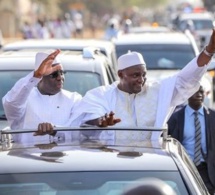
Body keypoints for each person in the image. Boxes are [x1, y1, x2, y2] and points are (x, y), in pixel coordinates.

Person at [73, 29, 215, 141]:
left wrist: (209, 50)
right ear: (121, 74)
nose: (141, 79)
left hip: (149, 162)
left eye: (143, 74)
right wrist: (100, 123)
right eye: (135, 75)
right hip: (113, 163)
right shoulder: (101, 95)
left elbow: (186, 77)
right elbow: (85, 124)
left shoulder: (157, 91)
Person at [2, 49, 82, 142]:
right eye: (54, 74)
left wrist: (55, 130)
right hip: (25, 155)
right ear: (40, 79)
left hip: (66, 155)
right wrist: (36, 75)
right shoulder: (25, 98)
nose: (60, 78)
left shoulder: (74, 99)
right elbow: (11, 103)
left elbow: (78, 133)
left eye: (62, 73)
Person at [167, 85, 215, 194]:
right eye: (195, 92)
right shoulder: (175, 117)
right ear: (187, 95)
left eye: (201, 92)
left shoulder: (212, 117)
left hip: (207, 170)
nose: (198, 95)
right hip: (185, 167)